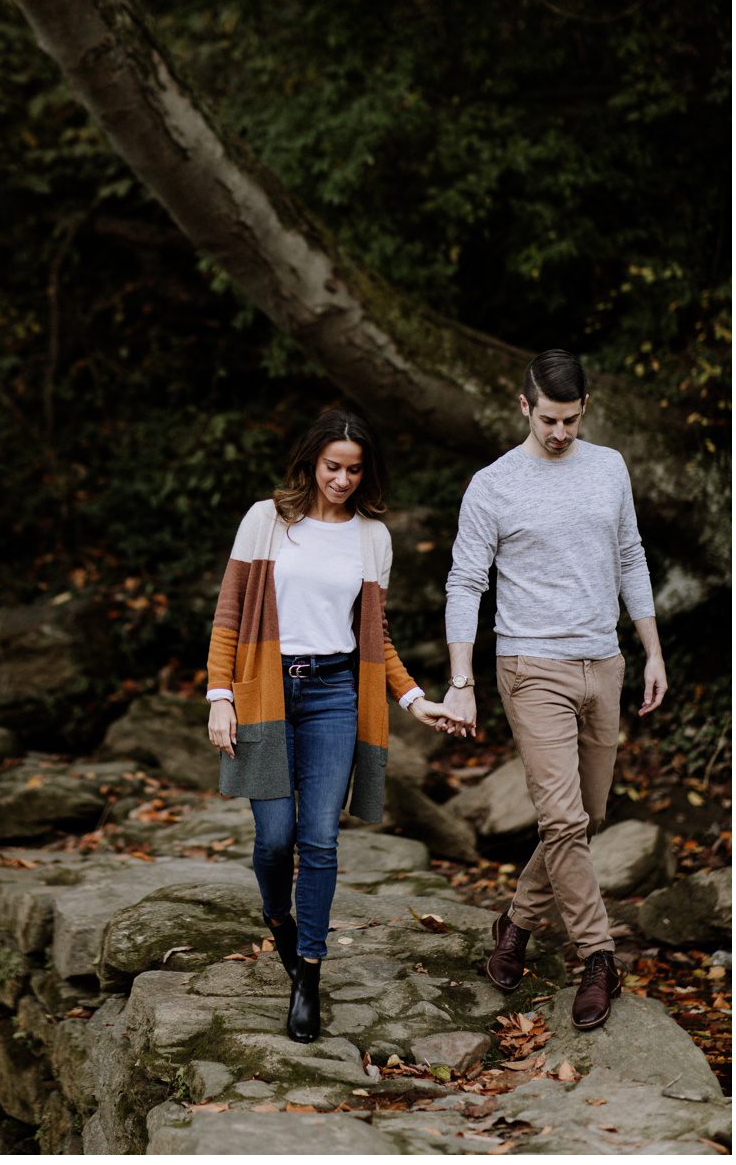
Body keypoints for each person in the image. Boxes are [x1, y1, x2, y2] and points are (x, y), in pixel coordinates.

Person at [204, 406, 467, 1044]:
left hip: (333, 695)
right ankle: (279, 919)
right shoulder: (266, 521)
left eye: (354, 470)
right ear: (310, 462)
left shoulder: (372, 538)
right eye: (332, 467)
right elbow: (230, 614)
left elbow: (374, 638)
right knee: (274, 840)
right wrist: (219, 696)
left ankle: (309, 977)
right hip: (265, 692)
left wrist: (414, 699)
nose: (342, 480)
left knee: (319, 838)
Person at [438, 349, 667, 1030]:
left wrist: (651, 651)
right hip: (531, 667)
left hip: (605, 663)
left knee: (587, 818)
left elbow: (630, 555)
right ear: (523, 407)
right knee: (563, 821)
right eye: (548, 419)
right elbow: (464, 583)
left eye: (570, 419)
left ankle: (516, 921)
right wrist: (461, 681)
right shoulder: (493, 485)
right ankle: (599, 956)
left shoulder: (609, 468)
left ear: (584, 409)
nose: (560, 432)